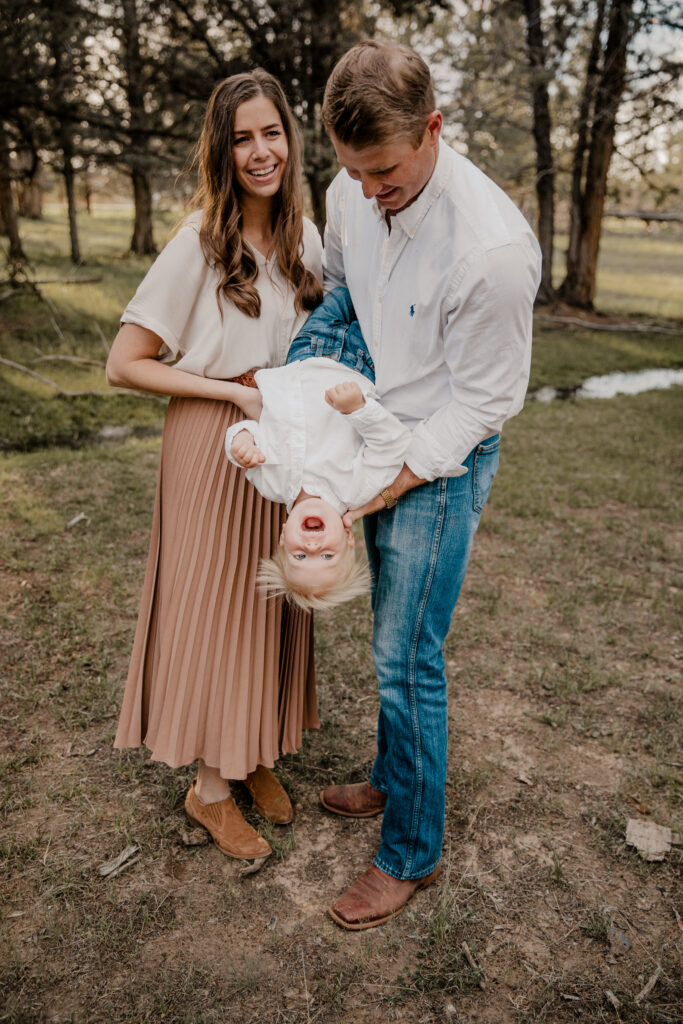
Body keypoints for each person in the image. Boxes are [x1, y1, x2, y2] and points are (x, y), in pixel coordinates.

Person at [318, 41, 542, 929]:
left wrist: (382, 486)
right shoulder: (349, 187)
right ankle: (388, 777)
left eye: (385, 173)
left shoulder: (490, 251)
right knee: (387, 638)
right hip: (376, 425)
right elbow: (345, 288)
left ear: (433, 130)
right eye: (352, 173)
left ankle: (410, 854)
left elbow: (483, 403)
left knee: (406, 657)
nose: (367, 193)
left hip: (445, 456)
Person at [106, 69, 324, 862]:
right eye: (242, 138)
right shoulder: (199, 240)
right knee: (218, 607)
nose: (260, 151)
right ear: (221, 150)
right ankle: (207, 790)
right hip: (210, 441)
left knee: (273, 600)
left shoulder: (307, 238)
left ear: (290, 141)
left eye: (272, 133)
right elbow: (124, 363)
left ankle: (254, 751)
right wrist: (229, 393)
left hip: (282, 441)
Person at [224, 285, 410, 610]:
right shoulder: (356, 490)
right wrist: (358, 409)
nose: (312, 545)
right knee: (380, 293)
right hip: (359, 364)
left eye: (300, 555)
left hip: (305, 354)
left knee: (348, 287)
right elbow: (392, 446)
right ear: (348, 539)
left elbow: (254, 430)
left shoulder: (271, 484)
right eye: (326, 554)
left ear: (283, 539)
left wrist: (240, 443)